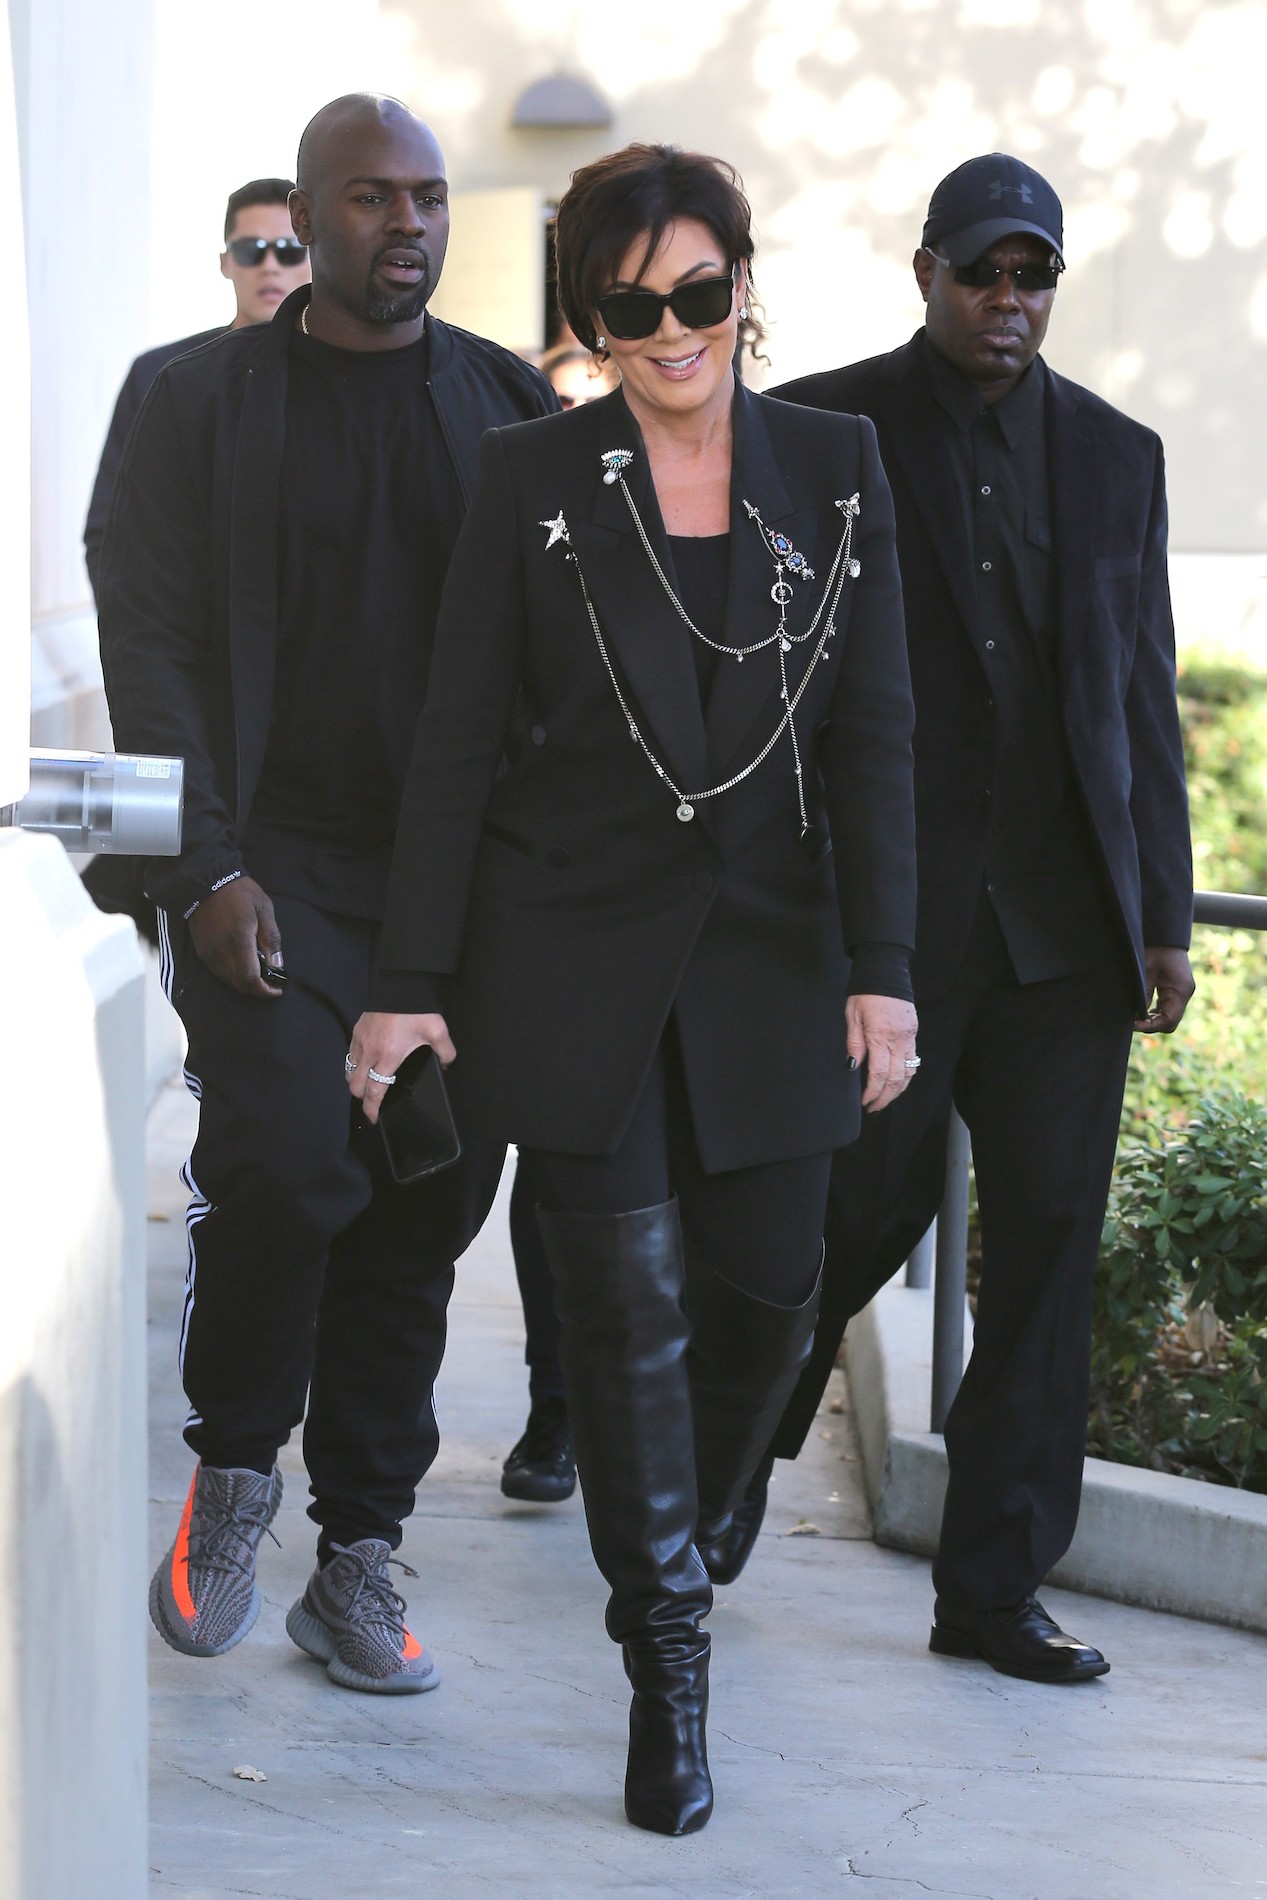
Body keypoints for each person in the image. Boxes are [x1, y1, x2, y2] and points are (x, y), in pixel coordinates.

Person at [349, 143, 919, 1834]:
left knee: (768, 1293)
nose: (669, 331)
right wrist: (406, 981)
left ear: (743, 283)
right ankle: (665, 1663)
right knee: (621, 1325)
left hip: (772, 963)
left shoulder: (834, 465)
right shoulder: (532, 471)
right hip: (570, 955)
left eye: (697, 292)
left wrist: (884, 971)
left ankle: (705, 1505)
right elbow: (455, 738)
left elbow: (876, 731)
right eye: (628, 306)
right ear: (589, 321)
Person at [97, 94, 555, 1694]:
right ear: (303, 215)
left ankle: (358, 1549)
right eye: (370, 198)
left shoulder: (507, 408)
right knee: (288, 1170)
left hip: (451, 893)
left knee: (420, 1205)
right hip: (267, 871)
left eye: (426, 196)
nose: (406, 224)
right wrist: (205, 866)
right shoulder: (191, 400)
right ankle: (235, 1471)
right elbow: (150, 641)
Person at [717, 154, 1195, 1683]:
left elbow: (1139, 695)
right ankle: (717, 1475)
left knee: (1045, 1263)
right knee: (834, 1227)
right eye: (979, 271)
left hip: (1063, 942)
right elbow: (771, 681)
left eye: (1029, 275)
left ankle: (992, 1592)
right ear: (924, 272)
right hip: (890, 935)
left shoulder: (1115, 456)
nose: (1005, 299)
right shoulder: (823, 432)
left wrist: (1163, 914)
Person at [84, 177, 310, 601]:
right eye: (251, 250)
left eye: (288, 250)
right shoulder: (160, 374)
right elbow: (110, 531)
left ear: (315, 255)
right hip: (184, 634)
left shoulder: (346, 378)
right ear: (226, 262)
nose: (270, 266)